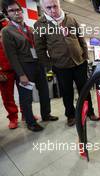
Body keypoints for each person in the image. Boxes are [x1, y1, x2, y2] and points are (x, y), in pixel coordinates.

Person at [34, 0, 99, 127]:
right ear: (43, 8)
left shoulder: (71, 19)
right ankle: (71, 115)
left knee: (84, 89)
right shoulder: (39, 25)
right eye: (48, 8)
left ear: (59, 5)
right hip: (61, 66)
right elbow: (40, 49)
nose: (53, 10)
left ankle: (90, 112)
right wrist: (50, 65)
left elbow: (81, 39)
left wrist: (85, 56)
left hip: (79, 62)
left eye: (55, 6)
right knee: (67, 92)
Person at [1, 0, 58, 132]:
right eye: (12, 11)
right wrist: (21, 74)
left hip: (38, 64)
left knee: (44, 92)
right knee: (26, 97)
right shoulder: (7, 31)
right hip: (24, 67)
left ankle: (46, 114)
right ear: (7, 14)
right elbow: (11, 55)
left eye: (18, 10)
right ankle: (30, 122)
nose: (17, 13)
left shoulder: (30, 28)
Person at [0, 13, 18, 129]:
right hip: (4, 70)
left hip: (18, 66)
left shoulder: (9, 24)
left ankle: (27, 114)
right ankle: (13, 117)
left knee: (25, 93)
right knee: (7, 96)